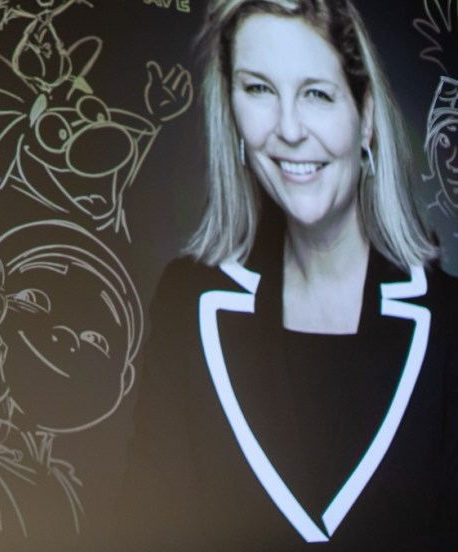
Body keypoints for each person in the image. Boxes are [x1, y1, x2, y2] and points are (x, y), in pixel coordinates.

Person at [121, 0, 458, 549]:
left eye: (316, 94)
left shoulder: (449, 324)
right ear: (231, 108)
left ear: (366, 114)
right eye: (259, 89)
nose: (289, 130)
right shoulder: (186, 304)